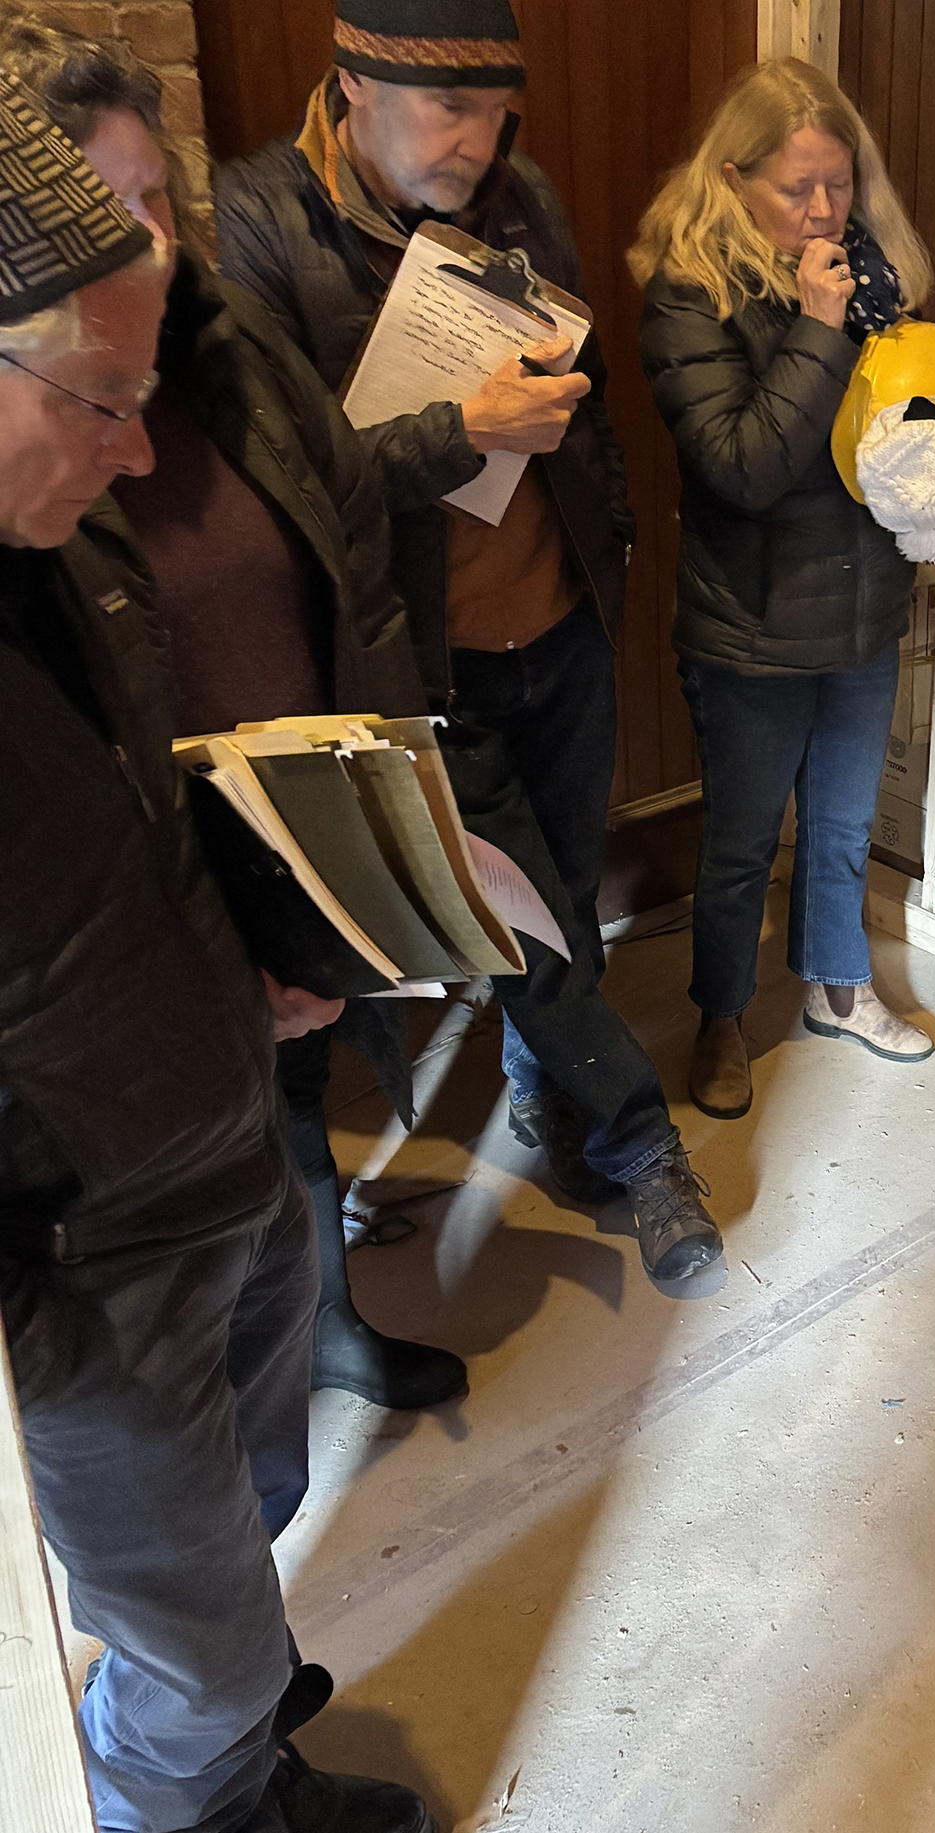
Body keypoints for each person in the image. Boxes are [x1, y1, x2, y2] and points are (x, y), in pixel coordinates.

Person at [0, 72, 440, 1833]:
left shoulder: (57, 544)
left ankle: (248, 1770)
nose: (135, 450)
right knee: (184, 1648)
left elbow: (140, 826)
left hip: (224, 1150)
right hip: (85, 1262)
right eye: (104, 400)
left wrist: (250, 965)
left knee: (240, 1558)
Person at [215, 0, 721, 1283]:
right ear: (350, 86)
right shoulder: (260, 224)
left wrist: (600, 521)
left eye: (499, 115)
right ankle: (643, 1149)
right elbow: (284, 492)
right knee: (529, 925)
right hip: (419, 661)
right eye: (449, 109)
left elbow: (586, 393)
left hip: (561, 618)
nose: (479, 145)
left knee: (565, 892)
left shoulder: (519, 193)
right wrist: (458, 431)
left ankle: (549, 1094)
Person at [630, 57, 935, 1122]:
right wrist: (815, 325)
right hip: (749, 625)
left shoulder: (873, 282)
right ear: (732, 179)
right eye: (794, 187)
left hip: (860, 605)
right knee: (741, 839)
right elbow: (746, 468)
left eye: (839, 185)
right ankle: (719, 1015)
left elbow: (901, 430)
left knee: (844, 826)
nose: (822, 210)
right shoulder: (687, 295)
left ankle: (837, 989)